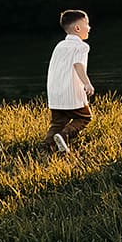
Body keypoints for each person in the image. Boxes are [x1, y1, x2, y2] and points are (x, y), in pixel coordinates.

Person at [44, 9, 95, 153]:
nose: (89, 28)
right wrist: (87, 83)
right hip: (70, 92)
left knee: (57, 122)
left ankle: (47, 147)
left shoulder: (59, 46)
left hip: (55, 93)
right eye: (87, 24)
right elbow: (78, 65)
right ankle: (64, 135)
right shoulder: (82, 46)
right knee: (85, 117)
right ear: (77, 28)